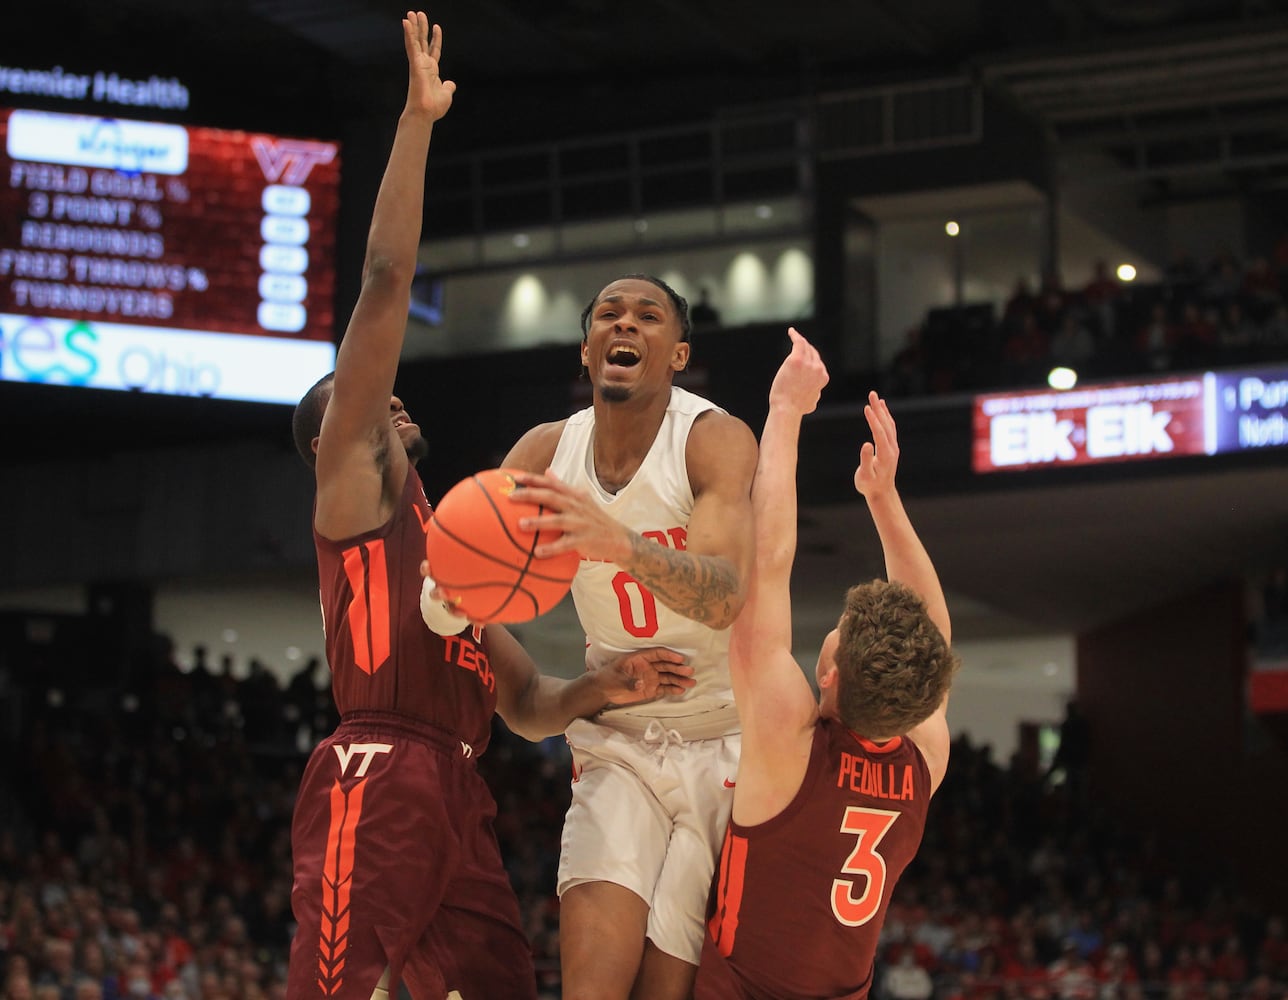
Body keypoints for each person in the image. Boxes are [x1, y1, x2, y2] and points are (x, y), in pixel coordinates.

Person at [286, 16, 693, 1000]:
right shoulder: (350, 485)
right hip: (376, 769)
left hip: (455, 788)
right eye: (360, 394)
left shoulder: (445, 534)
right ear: (330, 434)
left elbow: (524, 702)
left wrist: (611, 686)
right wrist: (419, 123)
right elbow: (386, 280)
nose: (387, 395)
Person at [497, 274, 759, 999]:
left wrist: (623, 545)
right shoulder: (544, 454)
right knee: (592, 986)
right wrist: (446, 596)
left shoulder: (713, 439)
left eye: (649, 316)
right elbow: (472, 612)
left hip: (724, 738)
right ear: (586, 350)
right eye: (609, 315)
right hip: (618, 739)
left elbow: (723, 599)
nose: (626, 324)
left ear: (677, 353)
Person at [694, 328, 959, 1000]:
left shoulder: (791, 741)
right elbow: (932, 633)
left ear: (832, 675)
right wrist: (882, 497)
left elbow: (770, 560)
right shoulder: (922, 757)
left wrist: (785, 414)